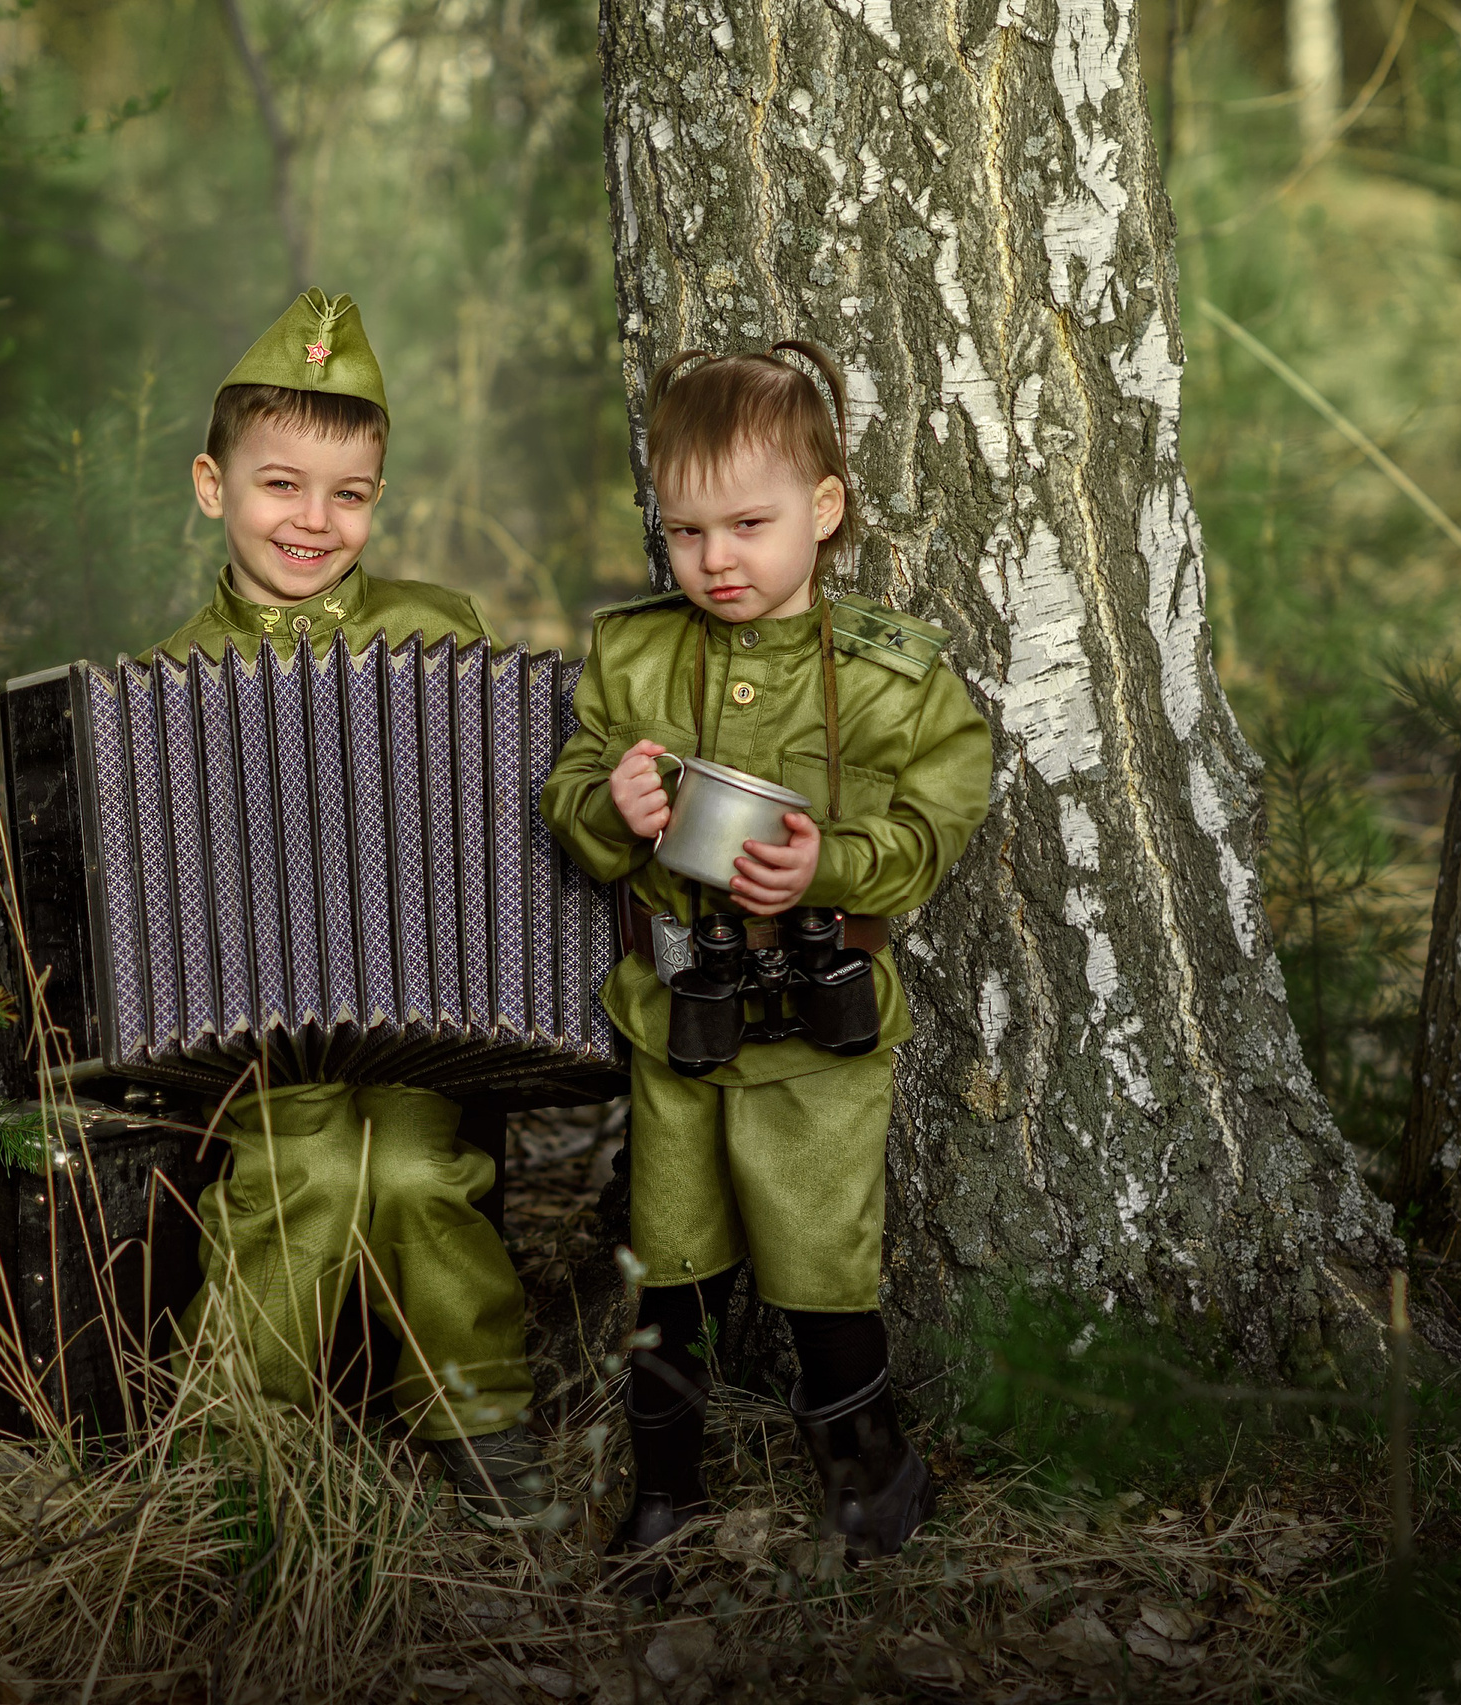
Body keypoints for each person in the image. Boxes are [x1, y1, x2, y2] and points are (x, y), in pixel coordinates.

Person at [539, 344, 992, 1588]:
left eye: (750, 523)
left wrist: (827, 866)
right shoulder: (632, 656)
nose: (716, 558)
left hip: (816, 1026)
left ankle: (868, 1476)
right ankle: (664, 1491)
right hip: (673, 1018)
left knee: (819, 1261)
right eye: (685, 531)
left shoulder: (898, 677)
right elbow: (572, 786)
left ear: (824, 508)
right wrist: (609, 806)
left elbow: (934, 824)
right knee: (669, 1259)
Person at [152, 290, 549, 1526]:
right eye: (280, 486)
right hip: (265, 1031)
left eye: (349, 494)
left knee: (421, 1171)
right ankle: (235, 1437)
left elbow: (498, 813)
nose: (313, 522)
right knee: (306, 1170)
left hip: (422, 1012)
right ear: (213, 487)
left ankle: (479, 1416)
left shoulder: (438, 629)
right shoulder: (174, 677)